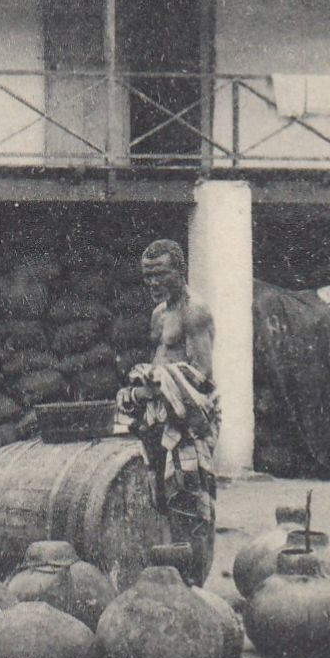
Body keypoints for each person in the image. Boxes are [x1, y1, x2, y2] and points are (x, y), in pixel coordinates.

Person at [115, 239, 220, 583]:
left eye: (160, 274)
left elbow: (202, 378)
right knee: (162, 501)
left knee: (193, 505)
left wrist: (159, 383)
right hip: (158, 421)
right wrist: (145, 384)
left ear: (180, 270)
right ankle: (173, 579)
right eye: (148, 277)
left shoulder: (195, 312)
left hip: (187, 424)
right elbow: (160, 361)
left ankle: (196, 583)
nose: (153, 283)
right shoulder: (159, 314)